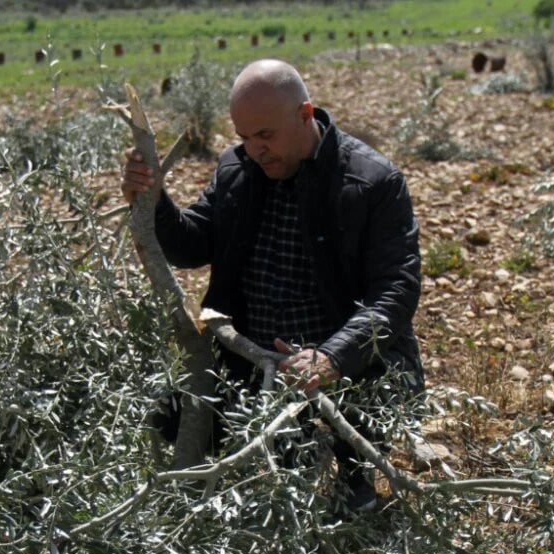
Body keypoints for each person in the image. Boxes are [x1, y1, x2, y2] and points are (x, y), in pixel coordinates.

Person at [121, 58, 424, 512]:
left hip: (341, 366)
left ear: (306, 115)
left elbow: (396, 290)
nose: (255, 150)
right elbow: (192, 244)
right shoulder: (239, 169)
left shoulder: (372, 182)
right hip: (253, 362)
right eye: (244, 137)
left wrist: (332, 357)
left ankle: (354, 479)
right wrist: (152, 199)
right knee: (177, 420)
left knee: (351, 487)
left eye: (266, 136)